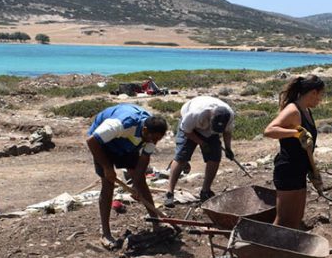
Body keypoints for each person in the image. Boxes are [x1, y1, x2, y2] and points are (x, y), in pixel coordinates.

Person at [85, 103, 168, 248]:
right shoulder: (122, 123)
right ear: (144, 129)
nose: (154, 142)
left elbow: (144, 158)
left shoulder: (152, 134)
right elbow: (91, 141)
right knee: (108, 183)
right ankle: (106, 233)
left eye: (157, 140)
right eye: (152, 138)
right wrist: (107, 167)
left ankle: (156, 223)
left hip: (128, 143)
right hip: (103, 143)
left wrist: (135, 184)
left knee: (141, 182)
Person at [263, 75, 325, 229]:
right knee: (283, 219)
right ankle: (266, 249)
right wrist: (296, 133)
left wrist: (312, 170)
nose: (321, 99)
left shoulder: (306, 111)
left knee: (296, 218)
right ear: (313, 93)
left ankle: (286, 250)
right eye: (321, 95)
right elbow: (269, 131)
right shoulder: (293, 110)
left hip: (300, 169)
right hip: (288, 169)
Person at [164, 95, 236, 206]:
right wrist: (202, 143)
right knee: (182, 157)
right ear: (211, 116)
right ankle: (169, 193)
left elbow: (227, 132)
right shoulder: (195, 113)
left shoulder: (229, 115)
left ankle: (205, 191)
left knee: (215, 157)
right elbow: (187, 131)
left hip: (209, 132)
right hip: (190, 128)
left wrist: (228, 148)